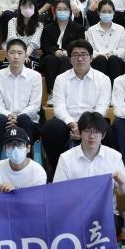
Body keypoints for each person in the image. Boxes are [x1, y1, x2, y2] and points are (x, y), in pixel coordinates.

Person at [41, 40, 111, 177]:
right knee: (51, 128)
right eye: (75, 55)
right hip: (68, 122)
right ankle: (57, 170)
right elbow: (59, 107)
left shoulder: (103, 79)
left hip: (93, 121)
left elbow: (102, 107)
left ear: (91, 58)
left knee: (109, 132)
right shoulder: (61, 79)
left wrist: (86, 128)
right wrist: (73, 125)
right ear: (70, 59)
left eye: (84, 54)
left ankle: (102, 173)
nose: (80, 58)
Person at [0, 39, 43, 163]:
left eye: (20, 53)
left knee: (24, 119)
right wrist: (10, 116)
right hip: (5, 120)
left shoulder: (35, 76)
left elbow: (35, 106)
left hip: (29, 121)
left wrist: (17, 117)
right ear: (7, 55)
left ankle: (28, 162)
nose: (16, 57)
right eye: (12, 53)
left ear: (25, 55)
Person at [53, 112, 125, 197]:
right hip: (76, 205)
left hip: (105, 206)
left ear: (103, 135)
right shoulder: (66, 158)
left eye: (96, 132)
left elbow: (123, 191)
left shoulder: (114, 156)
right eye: (87, 131)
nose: (92, 136)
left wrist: (121, 183)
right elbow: (57, 191)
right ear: (80, 133)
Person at [39, 0, 86, 100]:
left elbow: (80, 45)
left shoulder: (78, 28)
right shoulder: (47, 28)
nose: (62, 12)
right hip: (51, 57)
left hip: (71, 57)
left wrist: (68, 51)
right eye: (59, 9)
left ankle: (65, 93)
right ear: (54, 11)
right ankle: (52, 93)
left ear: (70, 11)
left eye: (65, 9)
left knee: (66, 60)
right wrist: (55, 51)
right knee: (50, 59)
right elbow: (45, 46)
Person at [0, 126, 48, 191]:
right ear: (5, 149)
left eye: (20, 144)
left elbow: (37, 196)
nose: (15, 149)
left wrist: (15, 192)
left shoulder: (38, 172)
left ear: (28, 148)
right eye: (10, 145)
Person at [86, 0, 125, 82]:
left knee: (113, 59)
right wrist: (102, 55)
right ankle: (100, 88)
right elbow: (90, 52)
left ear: (114, 12)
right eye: (104, 11)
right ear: (98, 12)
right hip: (98, 62)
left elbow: (123, 51)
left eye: (109, 12)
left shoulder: (120, 29)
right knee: (101, 59)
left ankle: (115, 88)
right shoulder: (91, 30)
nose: (107, 14)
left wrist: (112, 53)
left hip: (116, 62)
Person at [6, 0, 44, 68]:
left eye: (30, 6)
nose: (27, 9)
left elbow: (33, 43)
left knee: (27, 65)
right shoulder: (12, 22)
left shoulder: (39, 25)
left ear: (35, 8)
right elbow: (13, 40)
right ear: (20, 7)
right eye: (24, 6)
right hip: (14, 55)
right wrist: (19, 55)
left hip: (31, 56)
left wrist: (25, 55)